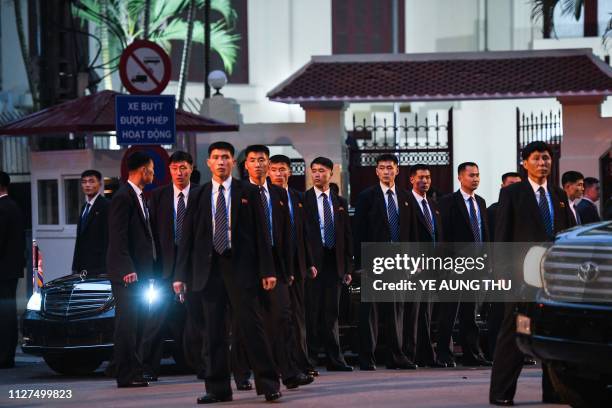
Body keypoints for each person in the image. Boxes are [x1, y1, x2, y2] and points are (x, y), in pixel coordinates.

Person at [174, 141, 282, 404]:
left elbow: (262, 234)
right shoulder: (198, 195)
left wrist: (267, 270)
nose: (221, 162)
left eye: (225, 157)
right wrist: (179, 275)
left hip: (241, 269)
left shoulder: (248, 192)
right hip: (208, 271)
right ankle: (218, 388)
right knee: (213, 332)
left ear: (233, 162)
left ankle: (268, 384)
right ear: (208, 163)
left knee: (252, 328)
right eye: (216, 157)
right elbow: (187, 237)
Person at [489, 141, 575, 406]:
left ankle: (553, 391)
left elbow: (568, 234)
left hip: (555, 277)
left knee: (553, 333)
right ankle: (501, 393)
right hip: (521, 277)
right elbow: (502, 236)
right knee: (514, 334)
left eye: (546, 158)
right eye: (537, 158)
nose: (543, 163)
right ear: (525, 163)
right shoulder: (512, 194)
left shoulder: (559, 195)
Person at [353, 153, 417, 370]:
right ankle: (366, 358)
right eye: (382, 168)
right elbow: (358, 231)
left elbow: (411, 233)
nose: (386, 171)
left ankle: (395, 356)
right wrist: (360, 264)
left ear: (397, 170)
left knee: (396, 310)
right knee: (370, 311)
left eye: (390, 167)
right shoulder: (366, 197)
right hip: (374, 260)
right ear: (377, 171)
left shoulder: (406, 197)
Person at [139, 151, 199, 381]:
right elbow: (150, 234)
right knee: (155, 318)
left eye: (183, 167)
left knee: (197, 319)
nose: (179, 172)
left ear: (191, 168)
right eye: (174, 168)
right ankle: (148, 368)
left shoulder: (202, 194)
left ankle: (202, 365)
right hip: (165, 268)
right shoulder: (158, 196)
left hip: (194, 267)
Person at [106, 151, 157, 388]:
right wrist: (127, 268)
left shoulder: (138, 196)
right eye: (152, 169)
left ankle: (135, 371)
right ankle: (125, 374)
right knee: (127, 325)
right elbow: (118, 238)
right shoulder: (122, 197)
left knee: (137, 323)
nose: (154, 173)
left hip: (140, 273)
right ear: (142, 171)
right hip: (128, 274)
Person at [268, 154, 319, 378]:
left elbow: (304, 234)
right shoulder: (264, 196)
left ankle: (302, 362)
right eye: (275, 169)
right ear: (269, 172)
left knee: (299, 317)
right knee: (278, 318)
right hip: (274, 267)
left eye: (283, 169)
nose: (279, 174)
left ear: (290, 172)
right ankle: (278, 365)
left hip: (298, 266)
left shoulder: (298, 197)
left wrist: (309, 263)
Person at [437, 162, 491, 367]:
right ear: (460, 177)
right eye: (471, 175)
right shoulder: (448, 202)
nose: (475, 178)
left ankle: (472, 355)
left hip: (476, 266)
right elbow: (444, 236)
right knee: (449, 314)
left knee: (471, 315)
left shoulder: (482, 202)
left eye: (477, 175)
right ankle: (444, 354)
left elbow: (484, 234)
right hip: (454, 266)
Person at [303, 157, 354, 372]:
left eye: (321, 171)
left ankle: (335, 359)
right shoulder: (302, 200)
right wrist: (306, 262)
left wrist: (349, 268)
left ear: (330, 174)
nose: (317, 174)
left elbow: (347, 236)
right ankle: (311, 360)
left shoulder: (339, 201)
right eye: (313, 171)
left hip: (335, 262)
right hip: (313, 264)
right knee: (312, 313)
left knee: (332, 313)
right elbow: (301, 236)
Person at [403, 164, 444, 368]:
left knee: (426, 313)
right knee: (413, 313)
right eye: (420, 177)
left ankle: (426, 355)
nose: (424, 181)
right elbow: (405, 236)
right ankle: (409, 355)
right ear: (411, 179)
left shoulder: (433, 205)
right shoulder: (405, 202)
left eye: (427, 177)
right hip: (414, 266)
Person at [484, 172, 521, 361]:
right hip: (500, 270)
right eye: (511, 184)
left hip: (522, 270)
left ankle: (521, 352)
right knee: (498, 313)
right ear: (502, 187)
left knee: (522, 314)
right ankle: (495, 352)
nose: (515, 187)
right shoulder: (493, 211)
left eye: (518, 184)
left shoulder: (526, 210)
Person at [0, 171, 25, 369]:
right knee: (7, 313)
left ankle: (4, 356)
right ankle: (7, 355)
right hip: (10, 269)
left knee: (4, 315)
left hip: (3, 270)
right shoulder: (13, 206)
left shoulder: (2, 208)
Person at [72, 170, 109, 275]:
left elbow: (108, 239)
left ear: (100, 184)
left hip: (99, 267)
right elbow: (80, 240)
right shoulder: (84, 207)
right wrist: (75, 266)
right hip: (82, 266)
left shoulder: (106, 206)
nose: (87, 185)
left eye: (92, 181)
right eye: (84, 182)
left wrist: (105, 267)